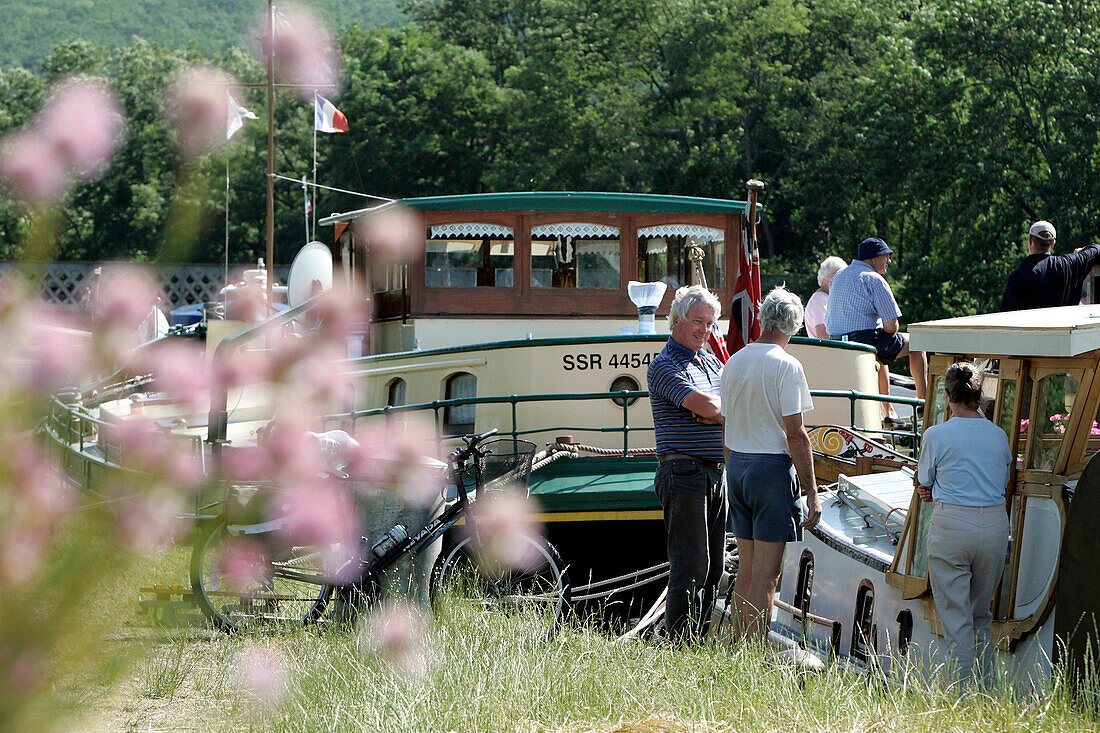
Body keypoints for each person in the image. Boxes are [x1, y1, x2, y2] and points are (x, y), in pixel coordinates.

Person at [720, 286, 822, 642]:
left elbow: (726, 423)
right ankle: (753, 653)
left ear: (763, 319)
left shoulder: (734, 360)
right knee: (768, 575)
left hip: (738, 466)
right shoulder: (787, 365)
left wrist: (733, 470)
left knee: (746, 570)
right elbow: (796, 434)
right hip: (770, 472)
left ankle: (735, 645)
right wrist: (812, 493)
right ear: (793, 325)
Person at [916, 362, 1012, 686]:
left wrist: (930, 490)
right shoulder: (999, 436)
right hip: (995, 526)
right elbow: (1003, 481)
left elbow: (925, 481)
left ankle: (959, 700)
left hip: (952, 525)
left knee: (956, 621)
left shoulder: (936, 434)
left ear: (947, 396)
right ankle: (986, 693)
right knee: (981, 616)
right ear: (979, 396)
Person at [647, 284, 727, 643]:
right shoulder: (663, 366)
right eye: (698, 322)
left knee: (714, 567)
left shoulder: (711, 361)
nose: (704, 331)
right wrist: (716, 412)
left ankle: (699, 640)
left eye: (709, 324)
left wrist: (716, 413)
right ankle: (679, 644)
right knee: (691, 565)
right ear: (677, 321)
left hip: (714, 472)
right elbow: (713, 408)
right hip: (683, 472)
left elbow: (726, 406)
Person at [825, 237, 927, 424]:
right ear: (873, 258)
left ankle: (888, 412)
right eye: (886, 256)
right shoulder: (873, 278)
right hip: (865, 343)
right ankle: (924, 403)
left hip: (837, 344)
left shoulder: (838, 276)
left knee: (882, 352)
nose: (889, 261)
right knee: (917, 342)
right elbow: (891, 326)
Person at [1000, 220, 1100, 311]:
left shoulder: (1018, 276)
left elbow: (1006, 315)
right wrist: (1081, 252)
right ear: (1053, 244)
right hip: (1065, 329)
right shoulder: (1068, 264)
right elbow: (1096, 249)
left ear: (1030, 240)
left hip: (1034, 330)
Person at [804, 256, 846, 340]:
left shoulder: (826, 298)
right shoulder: (819, 299)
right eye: (836, 278)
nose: (841, 282)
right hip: (826, 351)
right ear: (824, 280)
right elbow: (823, 335)